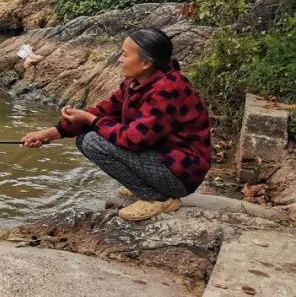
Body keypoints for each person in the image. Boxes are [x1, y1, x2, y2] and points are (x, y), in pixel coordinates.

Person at [21, 28, 212, 222]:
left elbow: (133, 139)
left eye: (124, 54)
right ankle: (147, 187)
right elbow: (104, 110)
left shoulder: (168, 89)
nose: (120, 59)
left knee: (93, 142)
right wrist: (52, 133)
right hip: (162, 158)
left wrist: (91, 121)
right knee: (85, 137)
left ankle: (157, 197)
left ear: (146, 63)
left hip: (181, 174)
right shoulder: (136, 82)